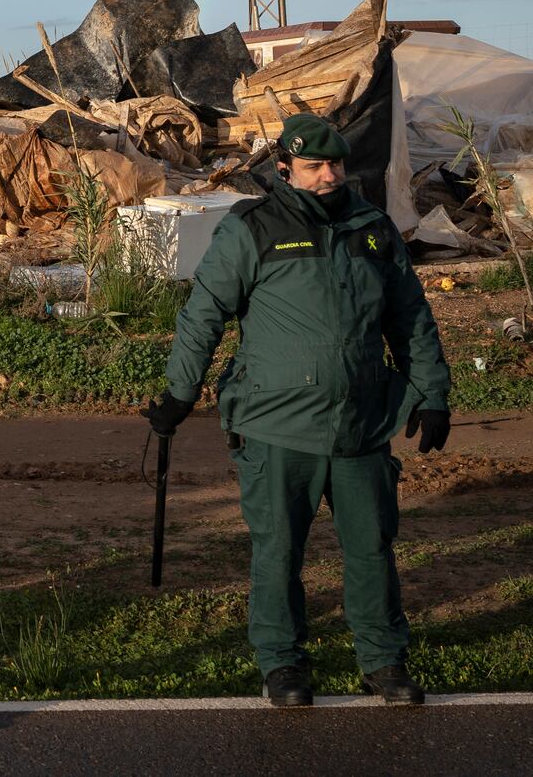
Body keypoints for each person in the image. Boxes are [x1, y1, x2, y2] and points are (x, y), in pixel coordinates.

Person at [145, 113, 451, 708]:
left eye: (336, 164)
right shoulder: (252, 229)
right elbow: (204, 313)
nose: (329, 176)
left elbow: (410, 317)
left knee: (371, 546)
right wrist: (180, 393)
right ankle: (283, 665)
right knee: (280, 550)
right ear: (284, 168)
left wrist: (432, 392)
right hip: (276, 423)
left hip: (362, 422)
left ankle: (384, 661)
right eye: (314, 167)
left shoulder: (373, 228)